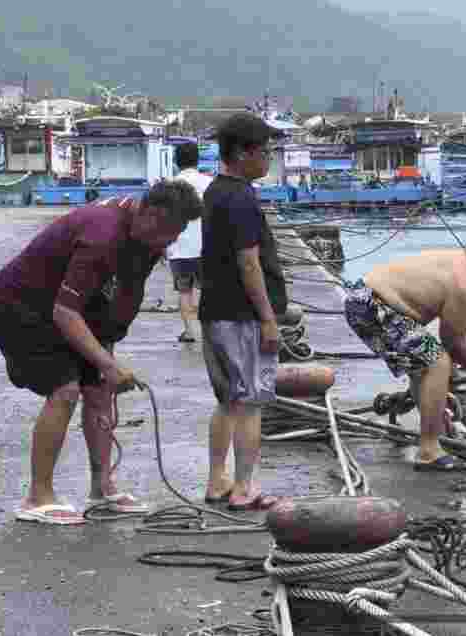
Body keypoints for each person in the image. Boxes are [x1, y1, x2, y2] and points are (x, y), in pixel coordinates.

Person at [0, 181, 204, 525]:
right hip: (22, 305)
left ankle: (102, 488)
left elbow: (124, 298)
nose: (171, 242)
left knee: (100, 389)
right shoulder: (102, 235)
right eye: (170, 231)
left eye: (177, 234)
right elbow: (65, 312)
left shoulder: (149, 241)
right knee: (65, 390)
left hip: (76, 308)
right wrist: (106, 362)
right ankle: (37, 497)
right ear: (150, 214)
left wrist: (108, 357)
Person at [343, 227, 466, 471]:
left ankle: (434, 433)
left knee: (427, 364)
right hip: (372, 305)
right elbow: (454, 345)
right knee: (437, 362)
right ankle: (429, 452)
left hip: (362, 300)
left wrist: (435, 399)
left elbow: (448, 343)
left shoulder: (457, 263)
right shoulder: (463, 283)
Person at [199, 113, 287, 510]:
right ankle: (244, 487)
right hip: (243, 317)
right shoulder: (242, 198)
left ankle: (218, 480)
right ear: (241, 153)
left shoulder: (215, 191)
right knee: (250, 403)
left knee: (228, 401)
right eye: (264, 152)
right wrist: (269, 319)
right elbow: (248, 263)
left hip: (214, 311)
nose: (268, 159)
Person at [167, 142, 213, 343]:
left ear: (176, 161)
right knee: (209, 292)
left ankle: (189, 332)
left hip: (179, 249)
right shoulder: (210, 183)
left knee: (184, 291)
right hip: (207, 248)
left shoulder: (169, 186)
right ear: (197, 160)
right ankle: (210, 333)